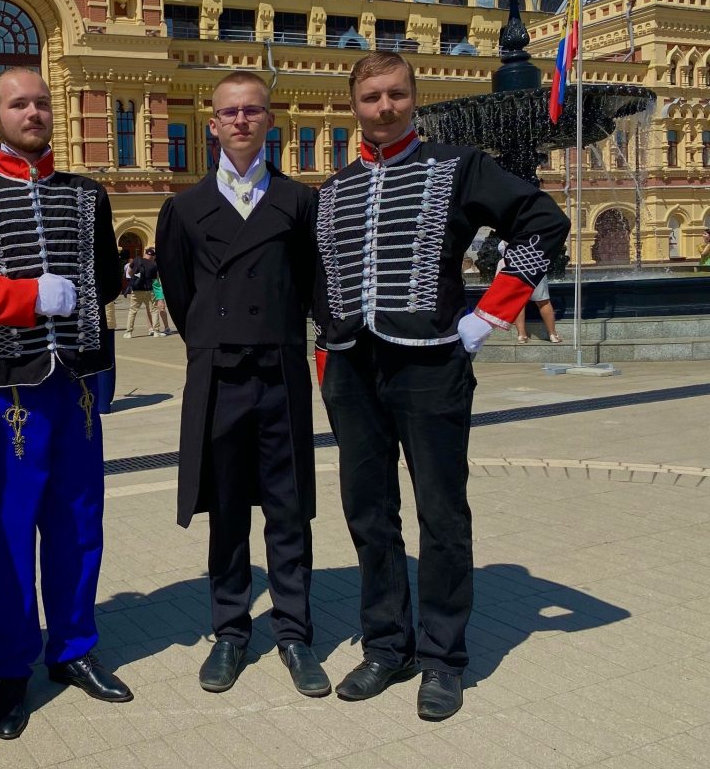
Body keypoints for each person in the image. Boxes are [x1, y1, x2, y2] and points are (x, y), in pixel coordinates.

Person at [313, 51, 570, 721]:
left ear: (413, 97)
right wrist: (325, 349)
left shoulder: (457, 166)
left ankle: (443, 658)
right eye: (371, 97)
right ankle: (385, 644)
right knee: (368, 514)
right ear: (354, 105)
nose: (385, 107)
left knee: (441, 515)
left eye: (396, 94)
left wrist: (491, 312)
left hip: (430, 364)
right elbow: (319, 281)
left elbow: (542, 220)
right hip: (350, 368)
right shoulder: (334, 189)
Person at [0, 67, 131, 740]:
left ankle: (72, 649)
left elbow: (105, 280)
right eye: (19, 103)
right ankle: (11, 669)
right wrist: (26, 298)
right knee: (9, 535)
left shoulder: (88, 195)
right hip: (3, 391)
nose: (33, 112)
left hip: (76, 386)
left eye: (41, 103)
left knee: (78, 523)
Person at [156, 70, 327, 699]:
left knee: (288, 511)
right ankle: (230, 630)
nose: (241, 121)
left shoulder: (298, 202)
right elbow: (179, 292)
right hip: (219, 373)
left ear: (269, 120)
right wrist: (209, 339)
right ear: (212, 124)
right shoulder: (186, 207)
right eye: (229, 112)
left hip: (280, 371)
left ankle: (295, 633)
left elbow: (314, 283)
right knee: (225, 511)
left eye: (253, 111)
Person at [498, 242, 562, 343]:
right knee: (543, 301)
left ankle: (521, 335)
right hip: (533, 264)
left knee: (518, 302)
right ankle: (553, 334)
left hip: (512, 265)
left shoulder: (508, 234)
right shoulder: (532, 231)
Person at [123, 249, 158, 337]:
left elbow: (129, 272)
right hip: (149, 290)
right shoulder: (153, 264)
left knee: (132, 311)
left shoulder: (136, 260)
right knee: (153, 310)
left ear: (145, 253)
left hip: (136, 290)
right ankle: (156, 331)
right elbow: (155, 279)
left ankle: (128, 332)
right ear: (153, 256)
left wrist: (134, 280)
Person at [150, 254, 172, 336]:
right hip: (148, 289)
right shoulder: (144, 264)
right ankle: (151, 328)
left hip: (158, 288)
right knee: (150, 309)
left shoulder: (158, 265)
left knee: (162, 307)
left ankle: (167, 327)